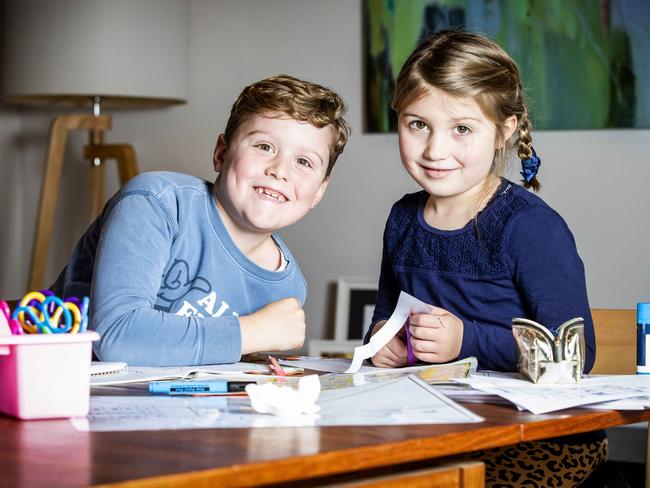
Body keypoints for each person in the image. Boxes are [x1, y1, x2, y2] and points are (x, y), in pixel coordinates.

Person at [367, 30, 605, 486]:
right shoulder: (402, 219)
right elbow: (386, 317)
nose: (435, 150)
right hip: (437, 423)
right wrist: (386, 341)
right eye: (418, 124)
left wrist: (465, 341)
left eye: (461, 129)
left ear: (504, 130)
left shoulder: (529, 227)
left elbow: (576, 355)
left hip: (533, 439)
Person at [51, 74, 350, 366]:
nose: (279, 170)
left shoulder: (287, 288)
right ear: (221, 153)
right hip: (55, 382)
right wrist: (254, 331)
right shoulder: (157, 204)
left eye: (303, 162)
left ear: (318, 192)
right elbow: (116, 335)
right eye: (264, 147)